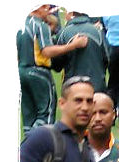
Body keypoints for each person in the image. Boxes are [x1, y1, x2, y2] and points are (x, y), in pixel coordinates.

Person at [16, 4, 88, 134]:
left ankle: (26, 147)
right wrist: (73, 45)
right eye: (46, 8)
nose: (48, 11)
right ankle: (41, 145)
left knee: (28, 116)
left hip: (21, 72)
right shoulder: (40, 25)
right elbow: (47, 51)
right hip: (39, 72)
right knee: (45, 114)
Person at [55, 10, 109, 93]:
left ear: (71, 13)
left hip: (72, 87)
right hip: (96, 86)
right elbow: (106, 59)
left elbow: (56, 65)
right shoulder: (98, 32)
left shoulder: (63, 33)